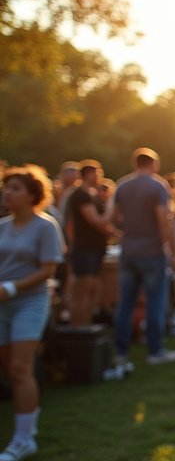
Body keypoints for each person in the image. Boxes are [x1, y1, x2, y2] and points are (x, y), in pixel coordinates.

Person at [0, 165, 63, 460]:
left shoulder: (45, 226)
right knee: (9, 370)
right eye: (6, 187)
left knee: (19, 369)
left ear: (32, 194)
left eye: (15, 188)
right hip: (2, 304)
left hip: (30, 302)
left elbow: (49, 268)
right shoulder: (2, 226)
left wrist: (12, 288)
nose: (7, 193)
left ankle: (25, 438)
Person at [111, 148, 175, 366]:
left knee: (126, 303)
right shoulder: (157, 185)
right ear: (154, 164)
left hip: (129, 250)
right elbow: (163, 221)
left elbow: (113, 217)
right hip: (152, 251)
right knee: (156, 302)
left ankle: (121, 352)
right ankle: (155, 350)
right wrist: (173, 249)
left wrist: (124, 233)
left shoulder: (122, 185)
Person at [65, 160, 115, 326]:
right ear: (88, 174)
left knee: (92, 290)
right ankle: (77, 329)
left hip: (94, 249)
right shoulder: (80, 195)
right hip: (84, 249)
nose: (100, 176)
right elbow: (97, 221)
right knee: (81, 291)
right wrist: (110, 206)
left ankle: (85, 328)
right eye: (97, 173)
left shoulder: (92, 194)